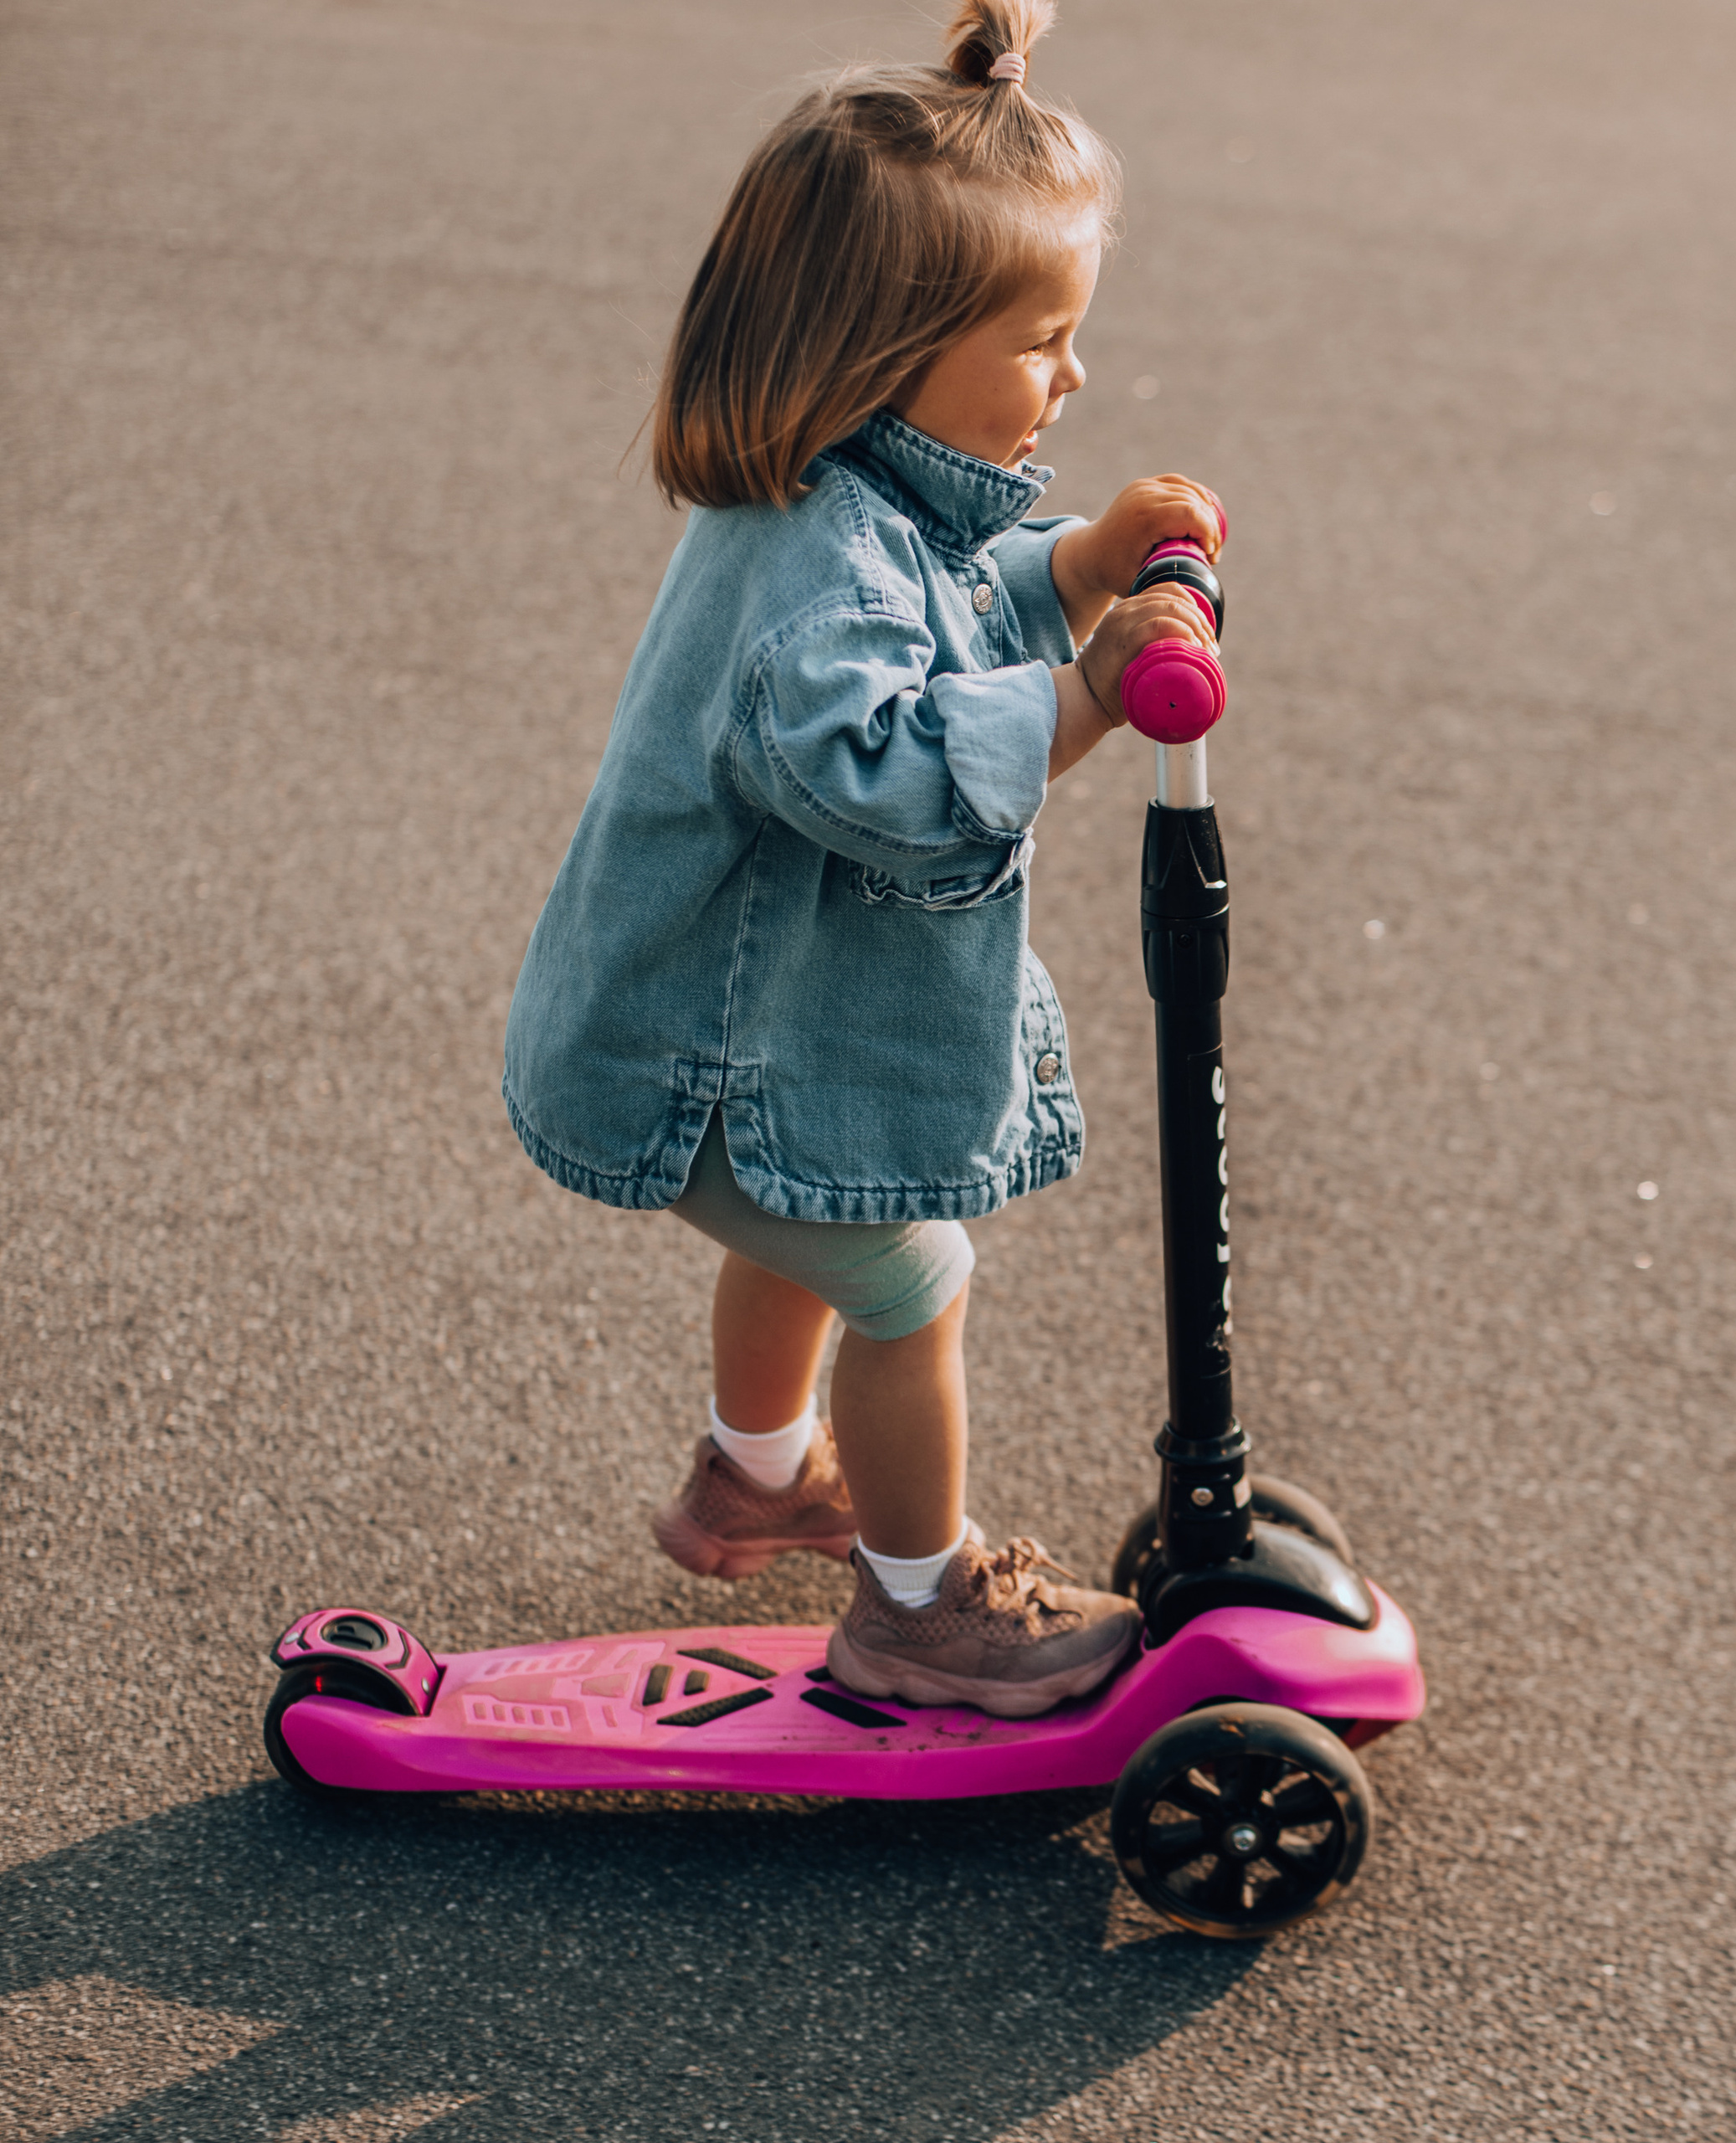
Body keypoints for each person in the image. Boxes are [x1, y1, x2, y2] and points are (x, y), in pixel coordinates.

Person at [501, 0, 1224, 1718]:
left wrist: (1073, 567)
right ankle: (918, 1606)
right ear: (887, 344)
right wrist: (1085, 692)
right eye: (1041, 338)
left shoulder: (853, 493)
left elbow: (954, 596)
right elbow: (882, 762)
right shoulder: (816, 564)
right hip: (705, 1051)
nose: (1071, 377)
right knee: (912, 1276)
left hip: (721, 1029)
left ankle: (756, 1473)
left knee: (826, 1219)